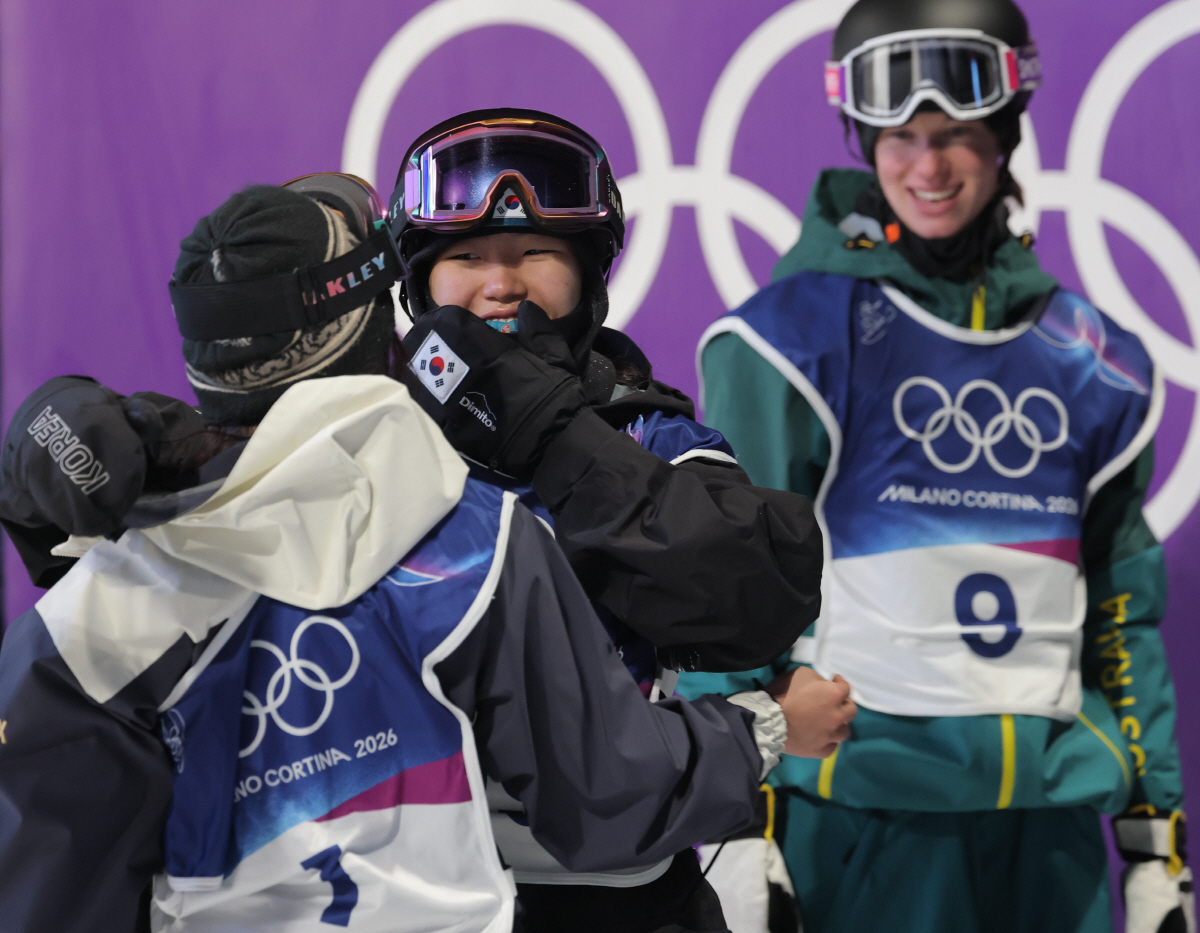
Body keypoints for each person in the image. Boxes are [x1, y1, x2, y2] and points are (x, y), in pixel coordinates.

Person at [0, 177, 845, 933]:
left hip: (612, 894)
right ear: (397, 299)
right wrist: (48, 447)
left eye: (535, 252)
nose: (501, 283)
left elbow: (757, 590)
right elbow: (610, 787)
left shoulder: (637, 435)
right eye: (467, 256)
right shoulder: (456, 531)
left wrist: (555, 436)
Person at [684, 1, 1193, 931]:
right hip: (863, 821)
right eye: (902, 138)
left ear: (1005, 136)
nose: (928, 167)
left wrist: (1156, 839)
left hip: (1053, 833)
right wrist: (734, 826)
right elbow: (727, 591)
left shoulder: (1097, 360)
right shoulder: (788, 343)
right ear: (866, 141)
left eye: (957, 135)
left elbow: (1123, 614)